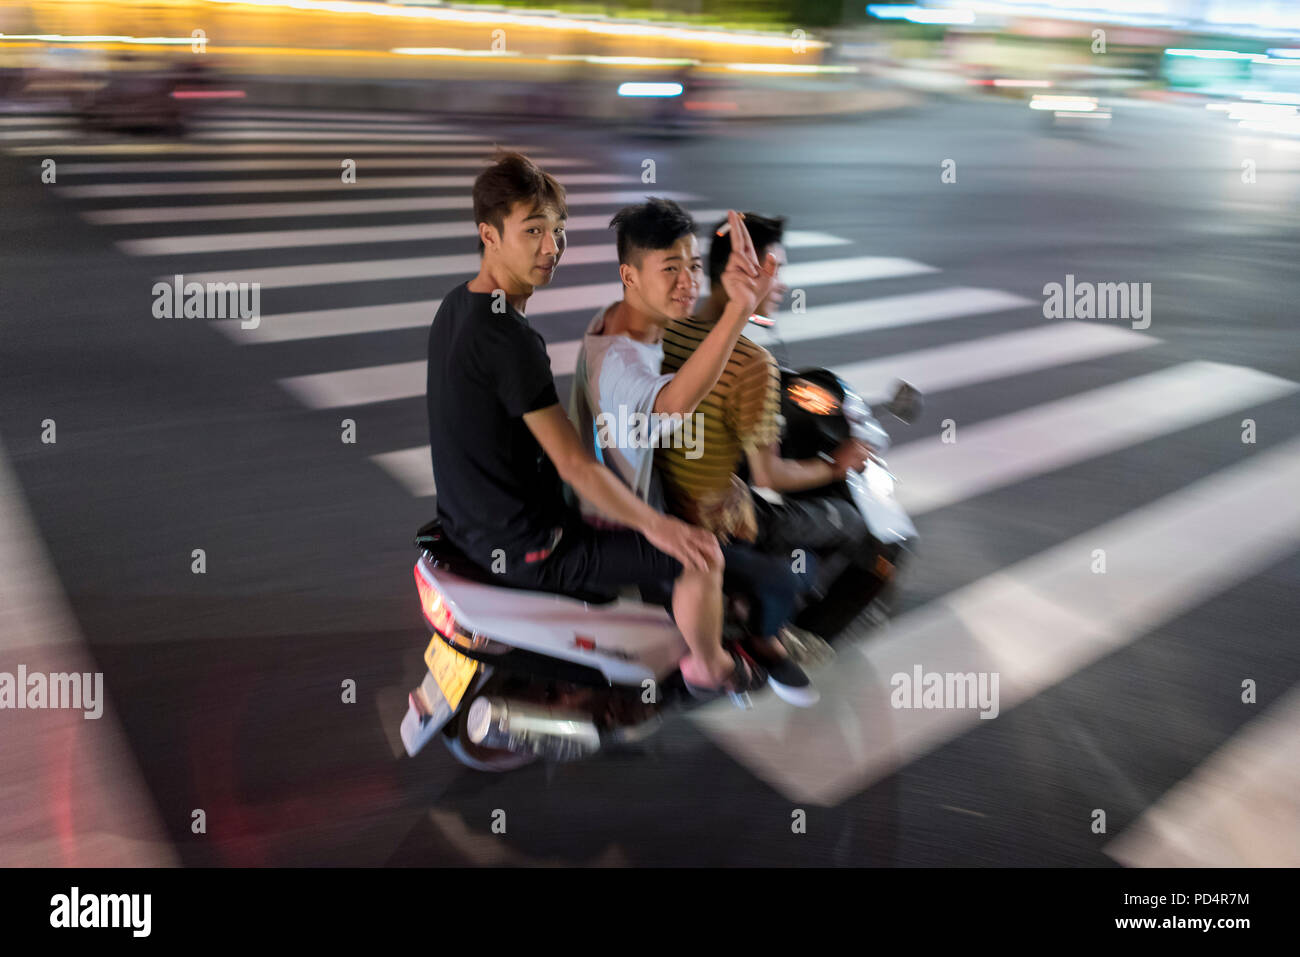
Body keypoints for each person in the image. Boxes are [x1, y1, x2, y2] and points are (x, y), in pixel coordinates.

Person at [426, 152, 764, 699]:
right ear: (488, 234)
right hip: (532, 544)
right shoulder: (510, 341)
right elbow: (575, 464)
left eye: (557, 231)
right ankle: (710, 669)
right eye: (532, 230)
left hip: (469, 524)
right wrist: (661, 529)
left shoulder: (455, 308)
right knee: (701, 554)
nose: (550, 248)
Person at [570, 198, 819, 706]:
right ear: (630, 275)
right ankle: (715, 665)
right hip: (623, 514)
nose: (686, 281)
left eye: (693, 266)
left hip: (629, 484)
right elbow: (676, 402)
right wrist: (737, 312)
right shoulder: (621, 362)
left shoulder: (628, 321)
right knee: (735, 559)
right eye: (670, 269)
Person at [657, 212, 881, 648]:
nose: (779, 286)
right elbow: (769, 477)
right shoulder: (752, 364)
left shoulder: (671, 328)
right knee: (851, 522)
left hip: (669, 490)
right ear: (736, 274)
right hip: (720, 515)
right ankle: (779, 618)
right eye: (772, 271)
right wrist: (836, 466)